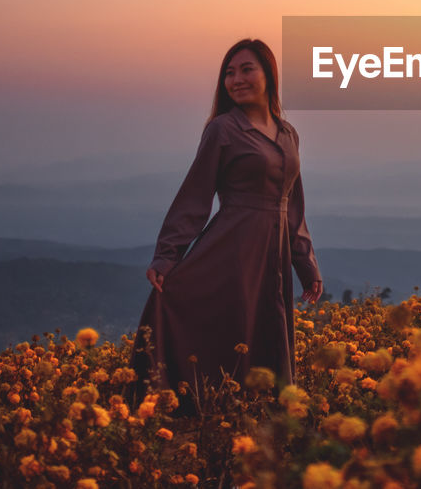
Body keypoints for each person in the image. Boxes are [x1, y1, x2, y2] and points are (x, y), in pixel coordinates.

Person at [130, 38, 323, 413]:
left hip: (274, 252)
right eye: (229, 73)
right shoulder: (222, 129)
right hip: (231, 247)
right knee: (231, 328)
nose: (236, 80)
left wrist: (306, 263)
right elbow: (195, 195)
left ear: (269, 74)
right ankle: (198, 412)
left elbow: (293, 205)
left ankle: (260, 418)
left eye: (246, 69)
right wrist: (167, 254)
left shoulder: (288, 134)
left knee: (264, 328)